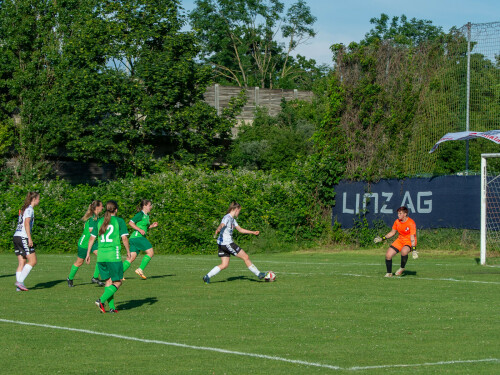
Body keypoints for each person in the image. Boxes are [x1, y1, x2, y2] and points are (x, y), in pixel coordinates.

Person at [203, 201, 266, 284]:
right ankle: (259, 274)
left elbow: (240, 230)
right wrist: (218, 229)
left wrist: (253, 232)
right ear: (236, 209)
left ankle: (207, 276)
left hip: (222, 244)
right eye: (239, 210)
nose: (239, 212)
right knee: (246, 257)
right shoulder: (227, 217)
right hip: (227, 243)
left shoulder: (232, 219)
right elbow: (222, 224)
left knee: (224, 265)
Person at [86, 200, 130, 313]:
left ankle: (112, 308)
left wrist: (88, 253)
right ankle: (101, 300)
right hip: (113, 256)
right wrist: (128, 251)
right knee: (118, 281)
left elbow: (91, 238)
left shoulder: (100, 221)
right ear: (116, 210)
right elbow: (124, 238)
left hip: (101, 256)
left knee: (108, 281)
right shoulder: (119, 221)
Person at [67, 200, 105, 287]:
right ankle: (70, 278)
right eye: (101, 206)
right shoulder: (92, 218)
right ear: (97, 207)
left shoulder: (97, 218)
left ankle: (95, 277)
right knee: (79, 262)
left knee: (101, 256)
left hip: (93, 243)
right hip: (84, 243)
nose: (102, 207)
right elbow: (92, 231)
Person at [374, 206, 418, 277]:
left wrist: (413, 249)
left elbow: (412, 237)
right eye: (398, 213)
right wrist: (382, 238)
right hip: (400, 240)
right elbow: (392, 232)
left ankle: (402, 268)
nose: (398, 215)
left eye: (400, 213)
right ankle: (389, 273)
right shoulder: (397, 221)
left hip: (409, 241)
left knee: (404, 251)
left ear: (405, 214)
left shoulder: (411, 223)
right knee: (388, 255)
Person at [122, 199, 158, 280]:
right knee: (150, 252)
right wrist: (139, 229)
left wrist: (152, 226)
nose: (151, 207)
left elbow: (145, 228)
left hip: (134, 238)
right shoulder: (140, 214)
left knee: (132, 257)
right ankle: (140, 269)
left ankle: (119, 274)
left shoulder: (147, 216)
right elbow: (131, 223)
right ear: (144, 206)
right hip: (138, 237)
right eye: (149, 205)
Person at [13, 192, 40, 291]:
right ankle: (19, 282)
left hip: (16, 236)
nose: (39, 200)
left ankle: (19, 287)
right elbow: (27, 223)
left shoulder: (25, 209)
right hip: (23, 237)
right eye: (38, 199)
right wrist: (29, 237)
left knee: (22, 262)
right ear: (34, 199)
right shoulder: (29, 209)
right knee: (33, 261)